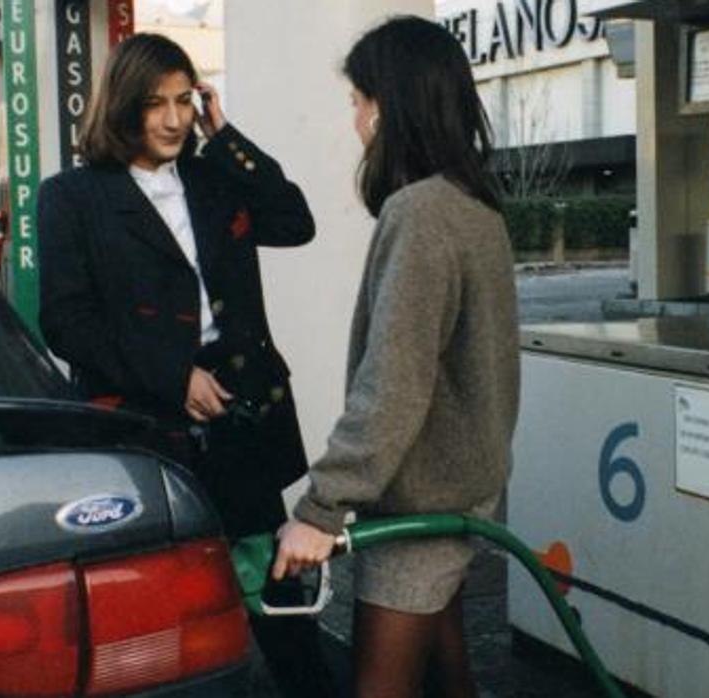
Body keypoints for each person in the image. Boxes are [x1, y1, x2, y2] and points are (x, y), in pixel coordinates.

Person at [36, 33, 334, 698]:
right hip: (146, 421)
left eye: (183, 101)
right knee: (163, 595)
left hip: (241, 415)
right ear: (122, 108)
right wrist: (172, 375)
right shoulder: (72, 197)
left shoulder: (212, 176)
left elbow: (295, 221)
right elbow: (66, 321)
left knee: (274, 589)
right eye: (154, 104)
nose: (173, 119)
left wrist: (225, 135)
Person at [272, 16, 520, 698]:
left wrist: (320, 510)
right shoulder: (474, 206)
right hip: (457, 498)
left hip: (420, 513)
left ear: (387, 106)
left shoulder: (421, 211)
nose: (353, 121)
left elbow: (393, 382)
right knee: (448, 682)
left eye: (356, 102)